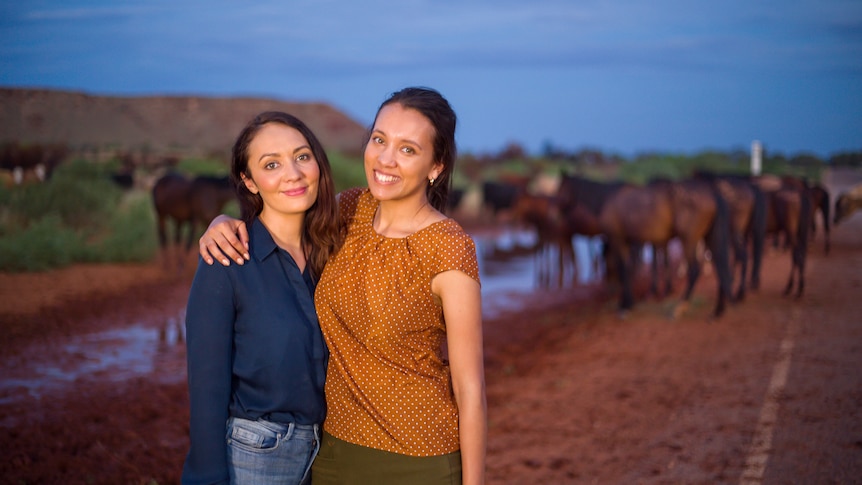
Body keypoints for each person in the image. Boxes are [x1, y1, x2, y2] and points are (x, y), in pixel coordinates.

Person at [199, 87, 487, 484]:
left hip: (418, 457)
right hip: (333, 454)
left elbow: (469, 388)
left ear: (435, 165)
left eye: (407, 150)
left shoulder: (449, 246)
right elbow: (285, 203)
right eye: (379, 140)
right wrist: (222, 223)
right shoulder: (349, 210)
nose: (386, 159)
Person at [182, 111, 341, 485]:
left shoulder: (334, 254)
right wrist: (207, 476)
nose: (294, 173)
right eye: (272, 164)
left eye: (302, 156)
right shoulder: (227, 260)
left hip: (331, 454)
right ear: (249, 181)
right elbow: (206, 384)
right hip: (255, 457)